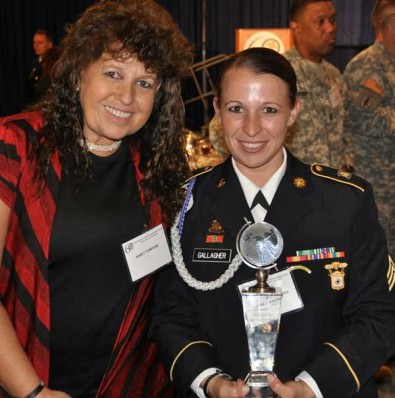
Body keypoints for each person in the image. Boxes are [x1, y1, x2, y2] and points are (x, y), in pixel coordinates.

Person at [150, 47, 395, 398]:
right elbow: (170, 315)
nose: (251, 128)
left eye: (269, 110)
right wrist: (211, 382)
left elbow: (378, 314)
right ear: (217, 109)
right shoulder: (187, 203)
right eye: (236, 109)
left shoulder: (345, 201)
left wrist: (311, 387)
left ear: (294, 111)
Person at [0, 0, 192, 397]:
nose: (127, 96)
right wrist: (32, 392)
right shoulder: (16, 145)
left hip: (131, 384)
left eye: (145, 82)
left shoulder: (155, 166)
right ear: (76, 76)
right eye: (112, 73)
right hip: (31, 383)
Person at [343, 0, 395, 258]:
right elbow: (361, 118)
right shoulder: (367, 65)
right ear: (390, 24)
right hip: (376, 178)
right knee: (380, 250)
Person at [283, 0, 352, 170]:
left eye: (333, 20)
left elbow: (346, 129)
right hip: (294, 189)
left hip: (331, 186)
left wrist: (347, 164)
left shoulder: (334, 75)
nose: (330, 28)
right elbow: (221, 130)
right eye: (320, 21)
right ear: (296, 28)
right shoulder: (278, 73)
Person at [25, 30, 54, 106]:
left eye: (40, 43)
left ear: (49, 44)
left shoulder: (53, 65)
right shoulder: (34, 64)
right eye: (34, 42)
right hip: (34, 105)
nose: (36, 46)